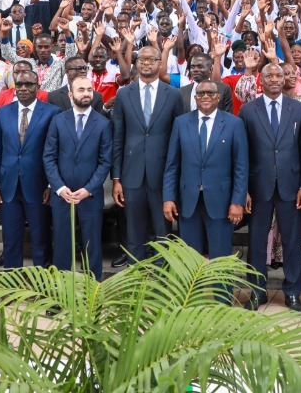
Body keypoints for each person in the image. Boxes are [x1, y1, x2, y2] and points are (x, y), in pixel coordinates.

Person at [239, 62, 301, 311]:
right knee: (257, 241)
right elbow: (243, 154)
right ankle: (257, 291)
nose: (273, 79)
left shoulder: (299, 109)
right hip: (258, 186)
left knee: (292, 241)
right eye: (268, 75)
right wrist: (244, 190)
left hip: (291, 187)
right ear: (262, 79)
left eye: (278, 75)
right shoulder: (248, 110)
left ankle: (292, 291)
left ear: (285, 80)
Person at [163, 79, 249, 269]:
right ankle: (192, 298)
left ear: (218, 97)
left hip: (221, 202)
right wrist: (168, 198)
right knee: (189, 260)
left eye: (210, 93)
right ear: (195, 98)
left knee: (221, 259)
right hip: (188, 202)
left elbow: (241, 167)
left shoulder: (234, 123)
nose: (205, 97)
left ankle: (222, 298)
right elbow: (172, 165)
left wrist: (237, 201)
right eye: (201, 93)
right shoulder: (181, 122)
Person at [110, 46, 184, 265]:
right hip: (131, 174)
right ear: (136, 63)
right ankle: (135, 278)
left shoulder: (173, 94)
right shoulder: (124, 94)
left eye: (152, 60)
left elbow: (178, 136)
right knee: (133, 230)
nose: (146, 63)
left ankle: (162, 283)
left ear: (160, 63)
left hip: (162, 174)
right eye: (142, 59)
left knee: (163, 230)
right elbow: (118, 137)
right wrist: (116, 178)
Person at [0, 69, 58, 268]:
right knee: (10, 239)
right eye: (19, 85)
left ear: (38, 87)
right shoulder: (2, 113)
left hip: (39, 185)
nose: (24, 88)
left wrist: (52, 185)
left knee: (40, 238)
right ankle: (12, 283)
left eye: (29, 84)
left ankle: (42, 284)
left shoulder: (52, 112)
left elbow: (55, 152)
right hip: (8, 185)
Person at [44, 75, 113, 274]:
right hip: (62, 196)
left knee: (92, 247)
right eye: (81, 90)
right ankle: (61, 296)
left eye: (89, 90)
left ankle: (93, 296)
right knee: (62, 247)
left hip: (90, 196)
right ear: (71, 94)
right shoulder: (58, 121)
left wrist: (88, 189)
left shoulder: (102, 123)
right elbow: (49, 158)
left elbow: (105, 162)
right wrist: (60, 188)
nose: (86, 94)